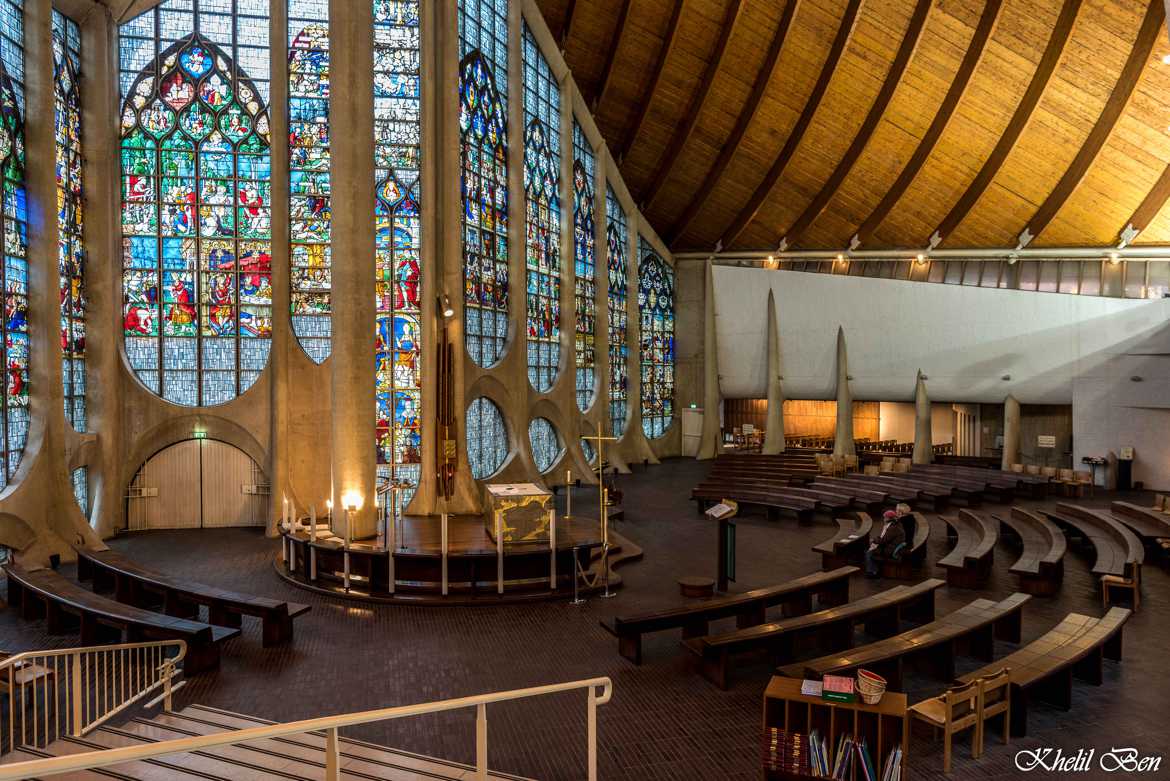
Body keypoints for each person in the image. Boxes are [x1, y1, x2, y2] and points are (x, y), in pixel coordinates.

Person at [865, 509, 906, 578]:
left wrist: (873, 541)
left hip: (890, 550)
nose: (883, 519)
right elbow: (884, 538)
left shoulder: (893, 528)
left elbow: (883, 540)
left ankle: (873, 572)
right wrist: (875, 540)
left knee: (869, 552)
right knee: (871, 548)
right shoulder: (895, 524)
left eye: (884, 517)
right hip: (891, 546)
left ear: (888, 518)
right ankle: (874, 569)